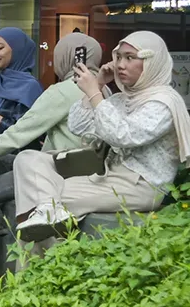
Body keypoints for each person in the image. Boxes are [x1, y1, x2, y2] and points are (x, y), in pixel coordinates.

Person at [14, 31, 190, 242]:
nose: (120, 65)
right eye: (118, 57)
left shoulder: (164, 103)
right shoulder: (123, 98)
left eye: (130, 58)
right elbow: (78, 125)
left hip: (140, 186)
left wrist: (95, 94)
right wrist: (97, 84)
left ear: (151, 62)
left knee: (46, 204)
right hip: (109, 175)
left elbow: (122, 136)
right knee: (27, 159)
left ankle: (39, 267)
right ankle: (46, 220)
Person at [0, 33, 102, 161]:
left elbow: (21, 132)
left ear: (65, 57)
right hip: (95, 167)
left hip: (64, 169)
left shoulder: (62, 91)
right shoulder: (102, 87)